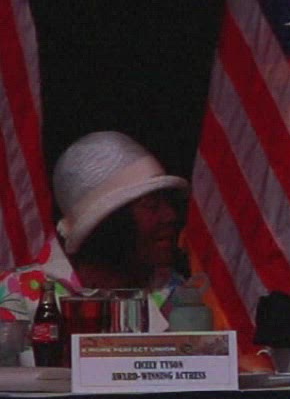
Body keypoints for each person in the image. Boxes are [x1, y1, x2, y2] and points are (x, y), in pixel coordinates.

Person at [0, 131, 194, 328]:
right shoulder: (16, 294)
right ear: (106, 222)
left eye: (168, 203)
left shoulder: (174, 291)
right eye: (151, 205)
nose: (170, 216)